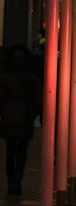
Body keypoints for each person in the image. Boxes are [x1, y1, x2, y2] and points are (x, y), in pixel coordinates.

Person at [0, 44, 43, 197]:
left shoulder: (6, 79)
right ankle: (18, 177)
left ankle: (11, 179)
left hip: (9, 116)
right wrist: (34, 113)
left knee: (10, 151)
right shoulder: (31, 79)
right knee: (22, 150)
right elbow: (39, 99)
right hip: (25, 116)